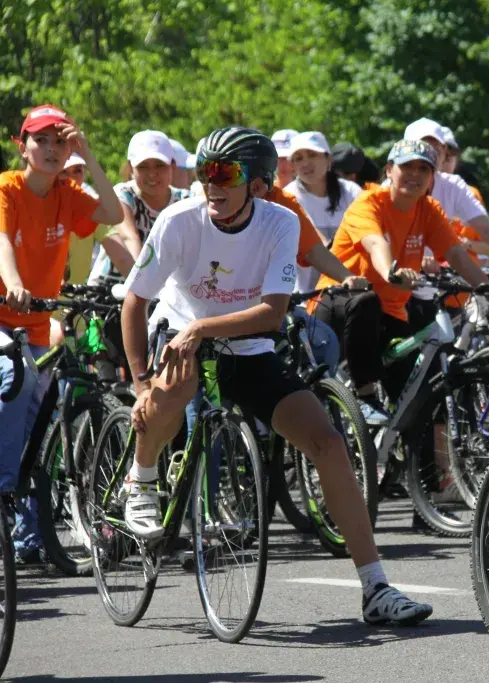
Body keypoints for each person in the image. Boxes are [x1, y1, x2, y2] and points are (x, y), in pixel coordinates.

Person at [119, 126, 432, 625]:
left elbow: (271, 312)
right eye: (204, 173)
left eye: (225, 173)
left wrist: (204, 327)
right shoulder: (179, 221)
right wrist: (138, 382)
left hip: (246, 344)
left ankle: (375, 586)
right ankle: (143, 477)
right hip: (180, 337)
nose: (211, 185)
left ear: (259, 185)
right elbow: (134, 302)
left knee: (328, 443)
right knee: (176, 384)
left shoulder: (281, 223)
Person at [0, 105, 122, 563]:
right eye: (41, 140)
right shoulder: (7, 188)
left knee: (39, 418)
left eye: (60, 141)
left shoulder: (68, 193)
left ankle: (28, 535)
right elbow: (2, 243)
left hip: (36, 322)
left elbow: (112, 212)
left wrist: (87, 154)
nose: (51, 149)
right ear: (22, 146)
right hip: (3, 316)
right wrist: (13, 285)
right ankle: (4, 495)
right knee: (20, 383)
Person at [311, 140, 489, 408]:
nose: (415, 174)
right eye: (407, 166)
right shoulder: (368, 203)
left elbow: (456, 255)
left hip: (390, 312)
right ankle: (365, 397)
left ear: (432, 178)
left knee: (417, 404)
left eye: (424, 169)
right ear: (388, 170)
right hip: (339, 303)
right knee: (366, 301)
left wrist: (488, 287)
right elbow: (375, 243)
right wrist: (391, 272)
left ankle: (406, 446)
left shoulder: (429, 210)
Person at [402, 118, 489, 265]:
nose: (430, 155)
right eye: (422, 148)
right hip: (400, 277)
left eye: (436, 148)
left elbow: (486, 231)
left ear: (444, 152)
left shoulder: (454, 186)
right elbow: (378, 242)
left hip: (444, 277)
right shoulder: (387, 190)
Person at [104, 131, 192, 281]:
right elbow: (129, 237)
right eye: (143, 166)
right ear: (131, 168)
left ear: (173, 166)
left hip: (163, 293)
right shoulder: (123, 195)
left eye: (160, 165)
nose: (152, 174)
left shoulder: (185, 201)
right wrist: (146, 287)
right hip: (110, 289)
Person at [285, 131, 363, 293]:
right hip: (307, 297)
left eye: (312, 155)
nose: (306, 163)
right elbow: (316, 245)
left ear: (328, 159)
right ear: (292, 166)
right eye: (298, 158)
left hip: (351, 292)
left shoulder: (351, 191)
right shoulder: (288, 197)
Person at [60, 154, 134, 286]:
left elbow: (123, 259)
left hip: (73, 303)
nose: (72, 178)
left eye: (78, 170)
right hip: (34, 301)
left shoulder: (91, 209)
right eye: (63, 172)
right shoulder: (39, 206)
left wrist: (145, 289)